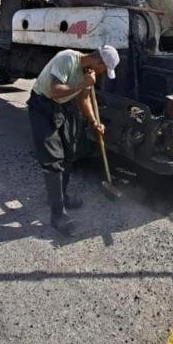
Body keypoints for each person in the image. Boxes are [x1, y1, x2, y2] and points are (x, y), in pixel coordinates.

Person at [27, 45, 120, 235]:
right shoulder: (67, 58)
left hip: (62, 106)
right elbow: (54, 90)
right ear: (99, 61)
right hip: (43, 105)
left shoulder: (88, 72)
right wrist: (83, 83)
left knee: (70, 153)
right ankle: (57, 215)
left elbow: (84, 99)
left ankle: (62, 196)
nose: (102, 73)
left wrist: (94, 122)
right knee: (53, 160)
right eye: (104, 69)